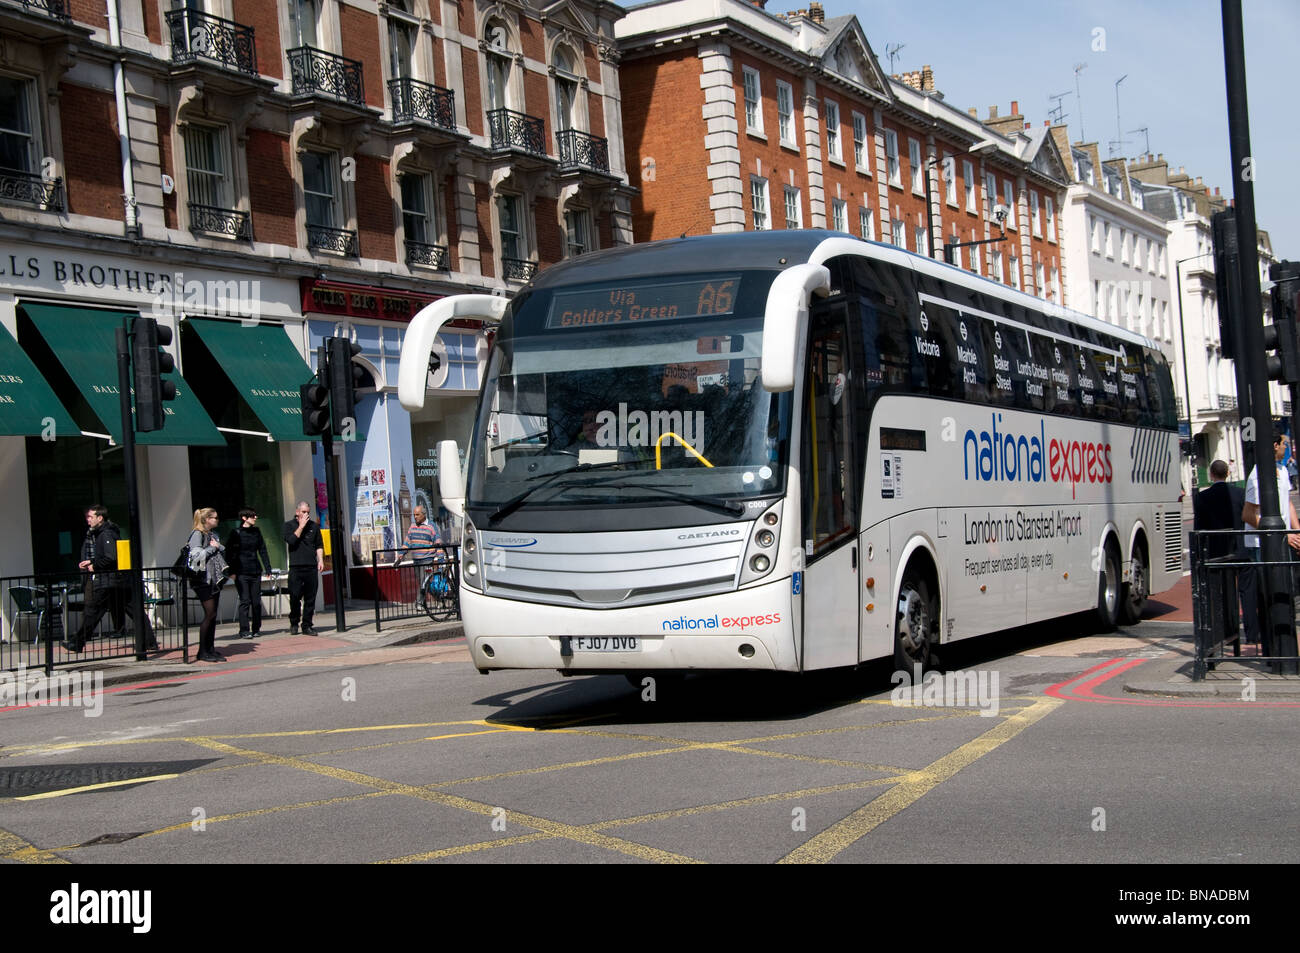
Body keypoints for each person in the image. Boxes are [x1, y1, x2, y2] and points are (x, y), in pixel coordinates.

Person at [63, 504, 157, 652]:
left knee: (92, 612)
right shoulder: (106, 532)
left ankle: (77, 642)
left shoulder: (105, 534)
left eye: (91, 517)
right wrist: (92, 561)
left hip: (109, 581)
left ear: (100, 518)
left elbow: (111, 557)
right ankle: (150, 642)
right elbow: (110, 556)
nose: (88, 520)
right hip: (118, 581)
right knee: (135, 612)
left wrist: (95, 566)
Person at [1242, 434, 1300, 649]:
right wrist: (1284, 533)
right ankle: (1274, 647)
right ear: (1275, 445)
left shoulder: (1282, 471)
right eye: (1284, 443)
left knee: (1285, 592)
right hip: (1263, 545)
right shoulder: (1258, 475)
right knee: (1270, 595)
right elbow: (1248, 515)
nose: (1286, 447)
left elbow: (1288, 504)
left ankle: (1285, 645)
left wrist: (1297, 531)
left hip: (1281, 540)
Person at [1194, 459, 1257, 644]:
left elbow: (1200, 528)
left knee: (1221, 594)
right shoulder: (1239, 493)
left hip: (1217, 553)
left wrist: (1200, 554)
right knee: (1248, 592)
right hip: (1241, 549)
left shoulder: (1202, 497)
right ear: (1227, 474)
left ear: (1212, 475)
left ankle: (1224, 635)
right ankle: (1252, 634)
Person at [187, 508, 229, 662]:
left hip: (213, 579)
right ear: (206, 520)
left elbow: (221, 550)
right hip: (202, 580)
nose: (217, 520)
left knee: (213, 616)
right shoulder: (197, 534)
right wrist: (213, 547)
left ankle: (210, 649)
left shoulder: (212, 534)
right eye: (214, 517)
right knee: (209, 614)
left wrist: (217, 546)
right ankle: (202, 652)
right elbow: (197, 556)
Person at [225, 507, 272, 640]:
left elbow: (262, 550)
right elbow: (230, 553)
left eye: (255, 515)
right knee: (245, 600)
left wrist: (268, 568)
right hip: (241, 572)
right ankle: (244, 630)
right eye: (252, 516)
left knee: (256, 601)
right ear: (244, 518)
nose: (255, 517)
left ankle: (256, 628)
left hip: (255, 571)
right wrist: (231, 572)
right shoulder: (236, 532)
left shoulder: (256, 531)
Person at [283, 501, 324, 635]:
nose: (306, 514)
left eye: (308, 512)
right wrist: (300, 527)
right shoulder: (289, 525)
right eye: (304, 512)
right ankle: (294, 622)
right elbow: (290, 541)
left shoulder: (314, 526)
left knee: (310, 598)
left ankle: (307, 625)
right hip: (296, 567)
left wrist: (321, 560)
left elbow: (319, 545)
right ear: (297, 512)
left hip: (311, 566)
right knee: (295, 597)